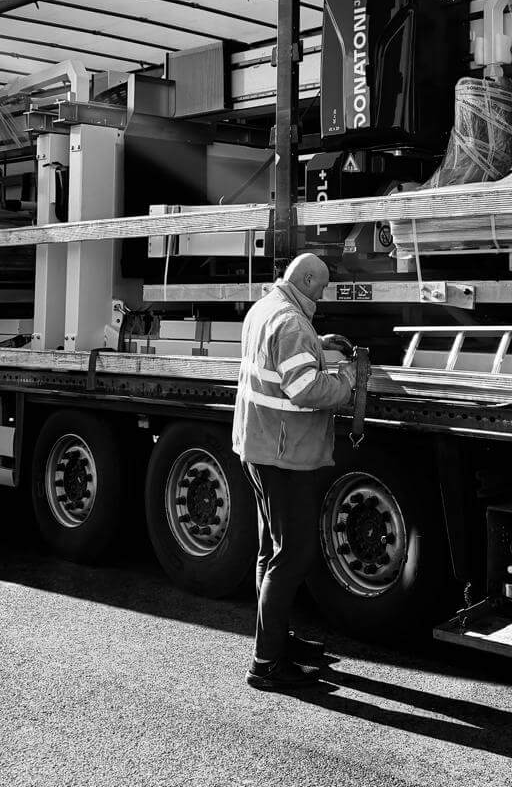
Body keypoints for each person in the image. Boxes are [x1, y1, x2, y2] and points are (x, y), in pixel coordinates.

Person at [231, 251, 358, 692]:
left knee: (272, 550)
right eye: (321, 286)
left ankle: (276, 641)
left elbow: (281, 358)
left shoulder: (266, 308)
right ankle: (266, 664)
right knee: (294, 554)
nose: (323, 295)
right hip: (283, 455)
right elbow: (305, 388)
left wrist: (317, 344)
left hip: (259, 445)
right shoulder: (292, 323)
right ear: (305, 279)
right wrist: (347, 382)